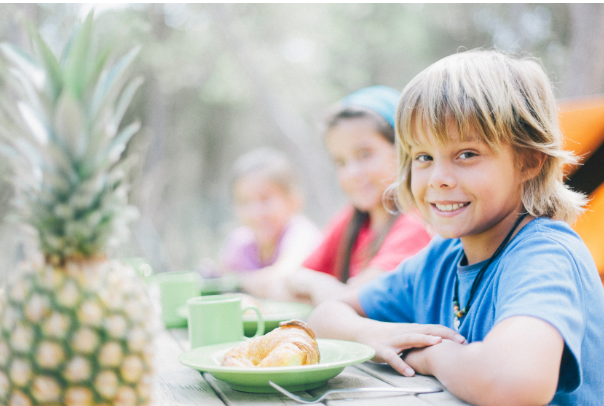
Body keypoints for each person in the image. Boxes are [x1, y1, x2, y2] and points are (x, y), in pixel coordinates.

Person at [308, 50, 604, 406]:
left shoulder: (544, 254)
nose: (439, 179)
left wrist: (430, 355)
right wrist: (372, 335)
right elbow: (327, 314)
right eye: (424, 157)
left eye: (466, 154)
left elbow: (513, 383)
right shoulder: (441, 259)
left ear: (528, 160)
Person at [250, 86, 432, 304]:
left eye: (365, 154)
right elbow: (288, 283)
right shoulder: (352, 221)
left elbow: (358, 300)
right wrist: (312, 284)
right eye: (341, 162)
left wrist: (313, 285)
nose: (352, 173)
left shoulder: (416, 222)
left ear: (403, 150)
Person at [216, 147, 322, 281]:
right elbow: (222, 278)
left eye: (265, 199)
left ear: (293, 200)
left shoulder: (302, 234)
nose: (255, 212)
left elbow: (283, 276)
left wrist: (237, 280)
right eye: (244, 202)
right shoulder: (240, 242)